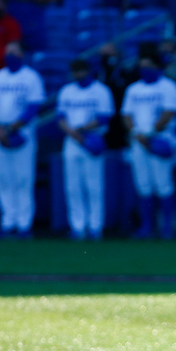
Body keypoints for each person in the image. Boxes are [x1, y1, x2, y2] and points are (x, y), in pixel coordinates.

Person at [122, 45, 176, 239]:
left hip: (161, 140)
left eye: (148, 65)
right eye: (142, 66)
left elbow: (169, 112)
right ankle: (146, 227)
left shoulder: (168, 87)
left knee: (163, 183)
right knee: (143, 185)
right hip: (139, 142)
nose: (144, 69)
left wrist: (150, 133)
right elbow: (127, 114)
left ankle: (167, 226)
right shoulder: (134, 89)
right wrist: (135, 132)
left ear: (157, 66)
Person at [0, 42, 45, 238]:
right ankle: (7, 220)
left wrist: (12, 128)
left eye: (14, 51)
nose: (10, 55)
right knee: (3, 179)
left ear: (21, 53)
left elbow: (34, 107)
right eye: (7, 52)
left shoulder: (31, 77)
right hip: (1, 134)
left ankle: (24, 223)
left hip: (23, 134)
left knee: (23, 179)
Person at [57, 58, 115, 241]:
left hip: (93, 139)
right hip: (73, 142)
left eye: (81, 71)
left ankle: (95, 226)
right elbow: (61, 118)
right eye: (75, 71)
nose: (78, 75)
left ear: (88, 71)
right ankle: (77, 226)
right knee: (73, 186)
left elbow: (104, 118)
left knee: (93, 185)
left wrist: (82, 131)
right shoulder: (67, 91)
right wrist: (74, 133)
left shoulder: (101, 91)